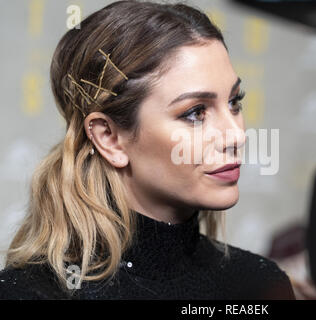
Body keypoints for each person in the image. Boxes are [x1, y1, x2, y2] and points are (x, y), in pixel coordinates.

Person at [0, 0, 295, 300]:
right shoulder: (29, 294)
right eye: (195, 113)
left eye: (234, 102)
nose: (236, 135)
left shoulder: (259, 285)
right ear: (109, 138)